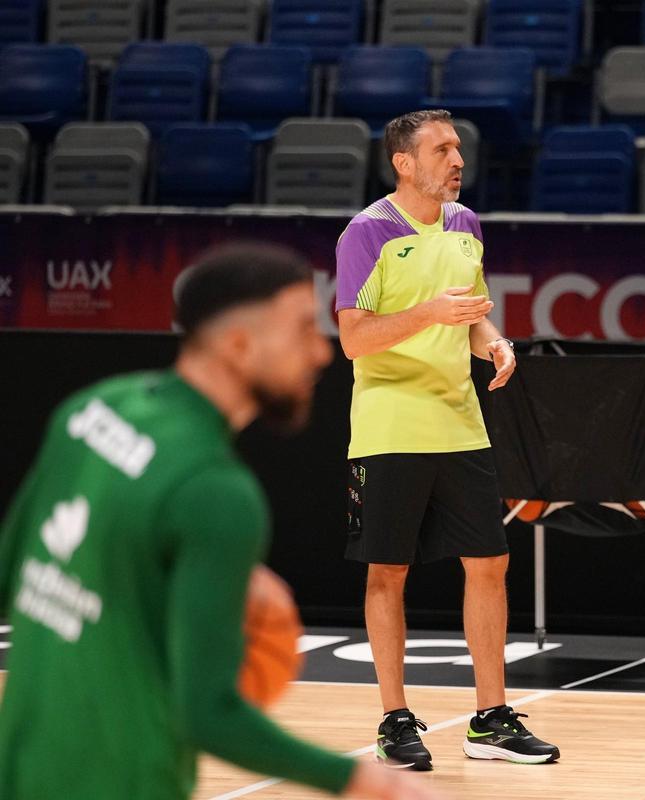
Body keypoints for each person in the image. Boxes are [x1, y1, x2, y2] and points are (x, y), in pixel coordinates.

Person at [0, 244, 441, 799]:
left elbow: (11, 574)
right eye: (303, 330)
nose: (321, 353)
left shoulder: (92, 409)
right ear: (238, 344)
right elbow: (207, 715)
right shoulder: (217, 492)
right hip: (125, 781)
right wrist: (362, 781)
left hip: (21, 768)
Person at [335, 110, 559, 771]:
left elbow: (471, 315)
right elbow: (354, 338)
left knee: (490, 563)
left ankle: (490, 718)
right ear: (405, 163)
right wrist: (428, 313)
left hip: (460, 421)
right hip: (389, 424)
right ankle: (394, 719)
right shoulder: (367, 233)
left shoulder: (466, 226)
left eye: (458, 147)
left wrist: (494, 344)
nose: (458, 159)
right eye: (442, 149)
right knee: (389, 572)